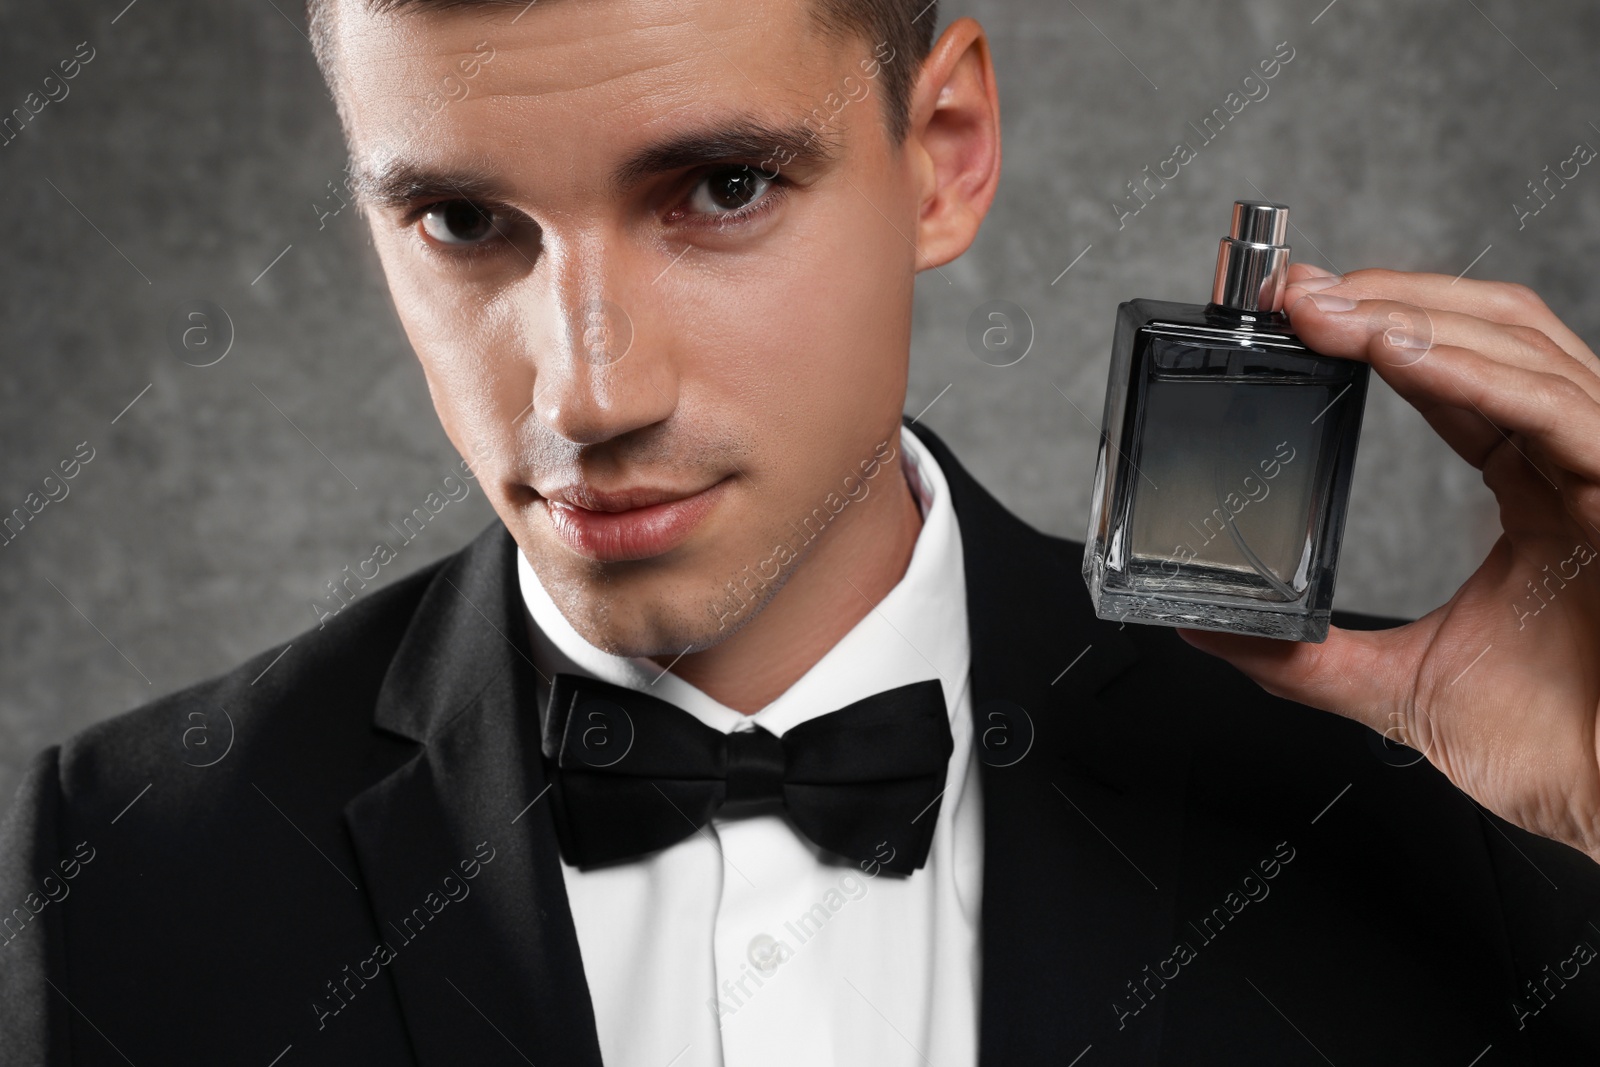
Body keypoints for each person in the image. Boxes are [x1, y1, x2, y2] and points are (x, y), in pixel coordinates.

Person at [3, 0, 1599, 1063]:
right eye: (463, 221)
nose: (587, 391)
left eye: (718, 188)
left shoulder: (1453, 819)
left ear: (945, 154)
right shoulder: (129, 863)